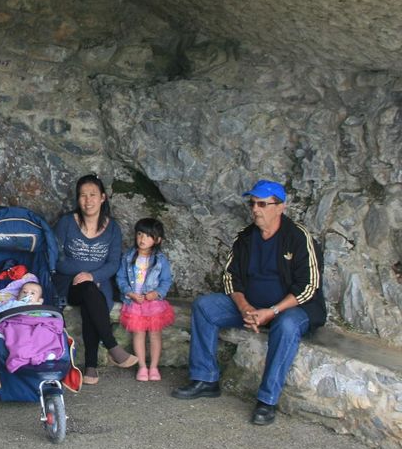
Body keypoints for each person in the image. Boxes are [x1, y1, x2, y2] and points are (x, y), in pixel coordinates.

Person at [172, 179, 326, 425]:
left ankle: (267, 400)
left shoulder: (298, 238)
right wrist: (246, 308)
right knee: (205, 307)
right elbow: (230, 277)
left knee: (286, 326)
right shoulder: (245, 238)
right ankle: (205, 379)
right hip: (252, 306)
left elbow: (309, 287)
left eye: (263, 204)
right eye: (253, 203)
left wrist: (272, 311)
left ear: (280, 207)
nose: (255, 209)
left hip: (292, 309)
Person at [53, 173, 138, 385]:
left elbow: (113, 263)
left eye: (92, 195)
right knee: (90, 291)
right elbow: (56, 259)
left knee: (92, 294)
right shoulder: (66, 223)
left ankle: (91, 368)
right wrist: (82, 273)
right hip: (69, 284)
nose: (88, 200)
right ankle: (111, 348)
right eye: (83, 195)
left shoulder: (112, 228)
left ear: (102, 198)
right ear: (77, 199)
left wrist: (92, 275)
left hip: (98, 283)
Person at [117, 218, 176, 382]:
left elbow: (166, 281)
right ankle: (142, 366)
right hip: (134, 303)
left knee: (155, 335)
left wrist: (156, 293)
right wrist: (129, 293)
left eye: (148, 236)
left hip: (154, 304)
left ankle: (154, 367)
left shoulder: (160, 259)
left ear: (157, 240)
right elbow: (120, 277)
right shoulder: (128, 257)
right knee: (138, 334)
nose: (142, 239)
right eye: (140, 234)